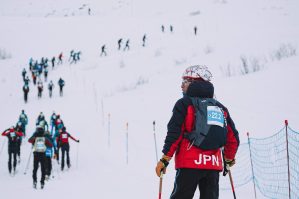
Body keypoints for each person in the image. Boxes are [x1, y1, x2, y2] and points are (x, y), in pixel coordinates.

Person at [155, 65, 239, 199]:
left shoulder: (184, 104)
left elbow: (174, 134)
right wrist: (228, 159)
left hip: (189, 164)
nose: (181, 86)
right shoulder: (220, 107)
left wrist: (165, 159)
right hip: (213, 165)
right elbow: (233, 138)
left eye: (185, 82)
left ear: (195, 83)